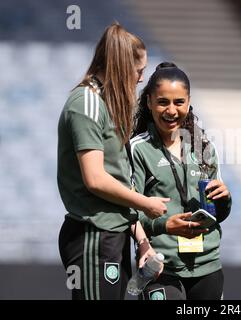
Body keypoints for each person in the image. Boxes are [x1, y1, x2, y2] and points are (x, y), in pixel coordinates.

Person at [57, 23, 169, 300]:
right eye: (139, 71)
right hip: (93, 235)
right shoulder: (87, 103)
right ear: (121, 66)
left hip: (112, 235)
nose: (141, 79)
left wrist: (142, 241)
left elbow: (119, 182)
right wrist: (145, 203)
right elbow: (95, 179)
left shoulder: (109, 104)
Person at [130, 62, 232, 300]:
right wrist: (165, 225)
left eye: (179, 102)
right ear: (149, 103)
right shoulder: (138, 149)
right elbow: (129, 213)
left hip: (207, 263)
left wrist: (224, 200)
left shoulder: (205, 147)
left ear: (188, 102)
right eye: (163, 102)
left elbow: (218, 214)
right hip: (161, 264)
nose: (171, 111)